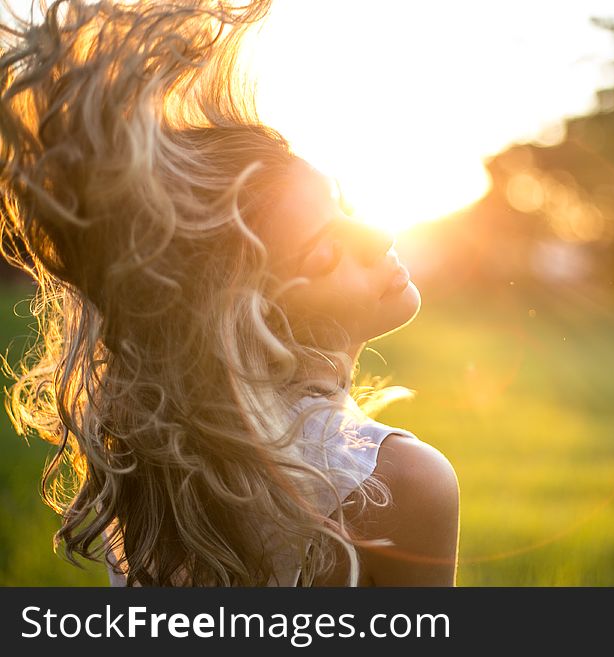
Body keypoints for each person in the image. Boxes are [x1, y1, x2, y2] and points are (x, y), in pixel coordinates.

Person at [0, 0, 459, 586]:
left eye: (344, 204)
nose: (379, 235)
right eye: (323, 252)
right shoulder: (399, 482)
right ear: (248, 318)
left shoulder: (155, 471)